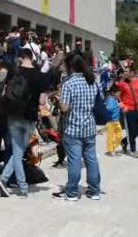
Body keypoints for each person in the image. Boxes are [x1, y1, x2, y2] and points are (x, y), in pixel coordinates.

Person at [0, 48, 50, 198]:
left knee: (17, 152)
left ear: (20, 58)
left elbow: (1, 86)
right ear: (32, 58)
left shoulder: (13, 71)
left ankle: (3, 179)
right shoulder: (40, 76)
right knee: (19, 152)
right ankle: (22, 187)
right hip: (29, 117)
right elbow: (42, 101)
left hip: (13, 115)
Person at [51, 53, 101, 201]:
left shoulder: (69, 83)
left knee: (74, 161)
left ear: (70, 66)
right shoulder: (92, 81)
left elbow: (65, 108)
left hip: (73, 128)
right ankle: (94, 190)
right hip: (89, 127)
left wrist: (58, 100)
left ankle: (71, 192)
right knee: (91, 159)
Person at [105, 85, 123, 157]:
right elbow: (108, 108)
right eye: (118, 93)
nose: (119, 95)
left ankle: (113, 147)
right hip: (110, 121)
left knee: (120, 136)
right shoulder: (110, 99)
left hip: (117, 120)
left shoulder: (116, 99)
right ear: (113, 93)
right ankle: (110, 150)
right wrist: (118, 105)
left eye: (119, 93)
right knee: (110, 136)